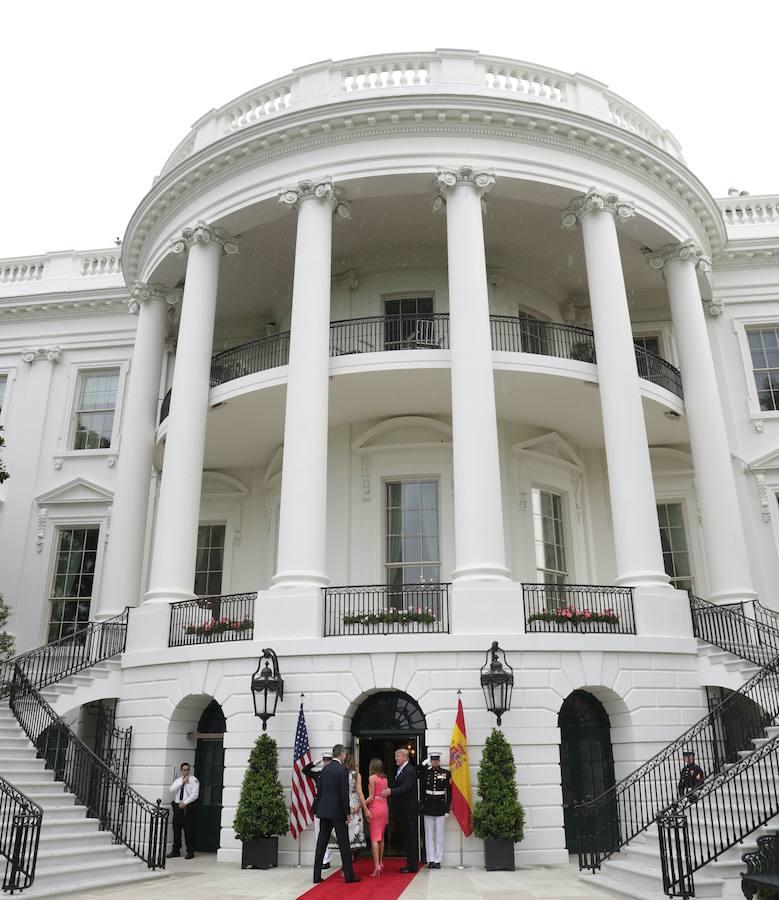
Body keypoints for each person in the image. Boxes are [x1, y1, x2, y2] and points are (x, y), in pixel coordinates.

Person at [312, 744, 361, 884]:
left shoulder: (325, 769)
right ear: (342, 754)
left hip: (324, 812)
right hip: (337, 813)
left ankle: (316, 875)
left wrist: (319, 809)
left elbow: (320, 791)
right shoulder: (342, 770)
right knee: (344, 845)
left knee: (321, 843)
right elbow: (343, 794)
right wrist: (347, 813)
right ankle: (349, 876)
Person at [381, 747, 419, 872]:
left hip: (408, 810)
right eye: (395, 756)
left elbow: (406, 787)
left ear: (405, 757)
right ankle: (410, 864)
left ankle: (412, 866)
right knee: (407, 838)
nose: (396, 759)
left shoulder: (409, 770)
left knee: (410, 838)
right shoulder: (401, 770)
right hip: (403, 810)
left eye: (398, 756)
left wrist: (391, 791)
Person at [329, 750, 368, 854]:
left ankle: (346, 859)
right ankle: (350, 857)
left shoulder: (339, 773)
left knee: (342, 831)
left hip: (342, 802)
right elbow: (360, 793)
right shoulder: (356, 775)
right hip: (354, 802)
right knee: (353, 830)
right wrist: (361, 807)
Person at [302, 751, 334, 870]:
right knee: (319, 834)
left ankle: (327, 860)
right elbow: (305, 770)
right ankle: (322, 860)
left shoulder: (335, 773)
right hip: (319, 807)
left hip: (330, 807)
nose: (326, 762)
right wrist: (316, 762)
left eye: (328, 760)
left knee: (329, 835)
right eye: (324, 760)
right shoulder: (319, 774)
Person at [421, 750, 451, 869]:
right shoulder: (426, 772)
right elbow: (417, 772)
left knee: (439, 835)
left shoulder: (446, 773)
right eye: (433, 760)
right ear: (431, 761)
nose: (435, 762)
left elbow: (449, 792)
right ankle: (431, 859)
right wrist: (423, 764)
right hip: (428, 805)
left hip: (440, 805)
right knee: (429, 834)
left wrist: (447, 807)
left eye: (436, 760)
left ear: (439, 761)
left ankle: (438, 860)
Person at [168, 762, 199, 859]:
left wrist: (185, 803)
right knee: (176, 829)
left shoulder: (194, 780)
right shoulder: (178, 780)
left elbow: (195, 795)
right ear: (181, 771)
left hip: (187, 807)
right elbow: (171, 789)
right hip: (177, 807)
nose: (186, 771)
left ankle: (190, 851)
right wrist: (182, 782)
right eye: (184, 770)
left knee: (188, 830)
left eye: (187, 770)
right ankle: (175, 851)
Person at [366, 757, 389, 877]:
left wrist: (360, 805)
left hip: (375, 807)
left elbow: (371, 797)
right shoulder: (385, 779)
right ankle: (380, 862)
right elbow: (386, 795)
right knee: (381, 837)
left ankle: (376, 865)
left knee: (374, 838)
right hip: (384, 807)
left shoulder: (372, 778)